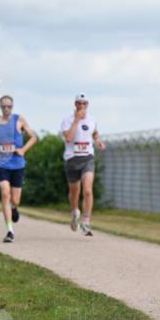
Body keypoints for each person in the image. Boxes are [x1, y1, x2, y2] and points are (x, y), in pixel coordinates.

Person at [0, 96, 38, 242]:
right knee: (5, 193)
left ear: (12, 106)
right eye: (3, 107)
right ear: (0, 107)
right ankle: (9, 230)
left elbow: (33, 137)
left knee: (15, 199)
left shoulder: (19, 119)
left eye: (9, 106)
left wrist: (23, 149)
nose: (6, 109)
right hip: (1, 163)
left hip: (17, 163)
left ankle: (14, 207)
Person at [61, 93, 105, 236]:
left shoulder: (92, 120)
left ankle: (86, 222)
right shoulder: (67, 120)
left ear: (87, 105)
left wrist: (98, 141)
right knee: (75, 192)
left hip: (87, 158)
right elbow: (68, 138)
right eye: (79, 103)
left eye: (84, 103)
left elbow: (95, 133)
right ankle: (74, 212)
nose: (81, 106)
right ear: (75, 105)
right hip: (72, 159)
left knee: (87, 190)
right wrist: (76, 120)